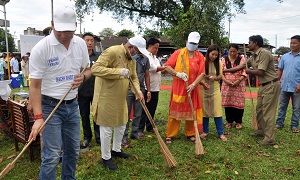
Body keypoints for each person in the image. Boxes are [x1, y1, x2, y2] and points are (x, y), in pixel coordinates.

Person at [28, 6, 91, 179]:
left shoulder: (79, 44)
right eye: (60, 30)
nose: (64, 35)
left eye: (69, 31)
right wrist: (38, 118)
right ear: (52, 24)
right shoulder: (42, 48)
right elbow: (34, 86)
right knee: (52, 155)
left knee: (72, 150)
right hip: (50, 106)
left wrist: (83, 78)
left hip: (72, 105)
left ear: (75, 27)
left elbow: (88, 70)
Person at [91, 36, 145, 170]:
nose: (137, 55)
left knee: (121, 124)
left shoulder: (131, 59)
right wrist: (118, 72)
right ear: (131, 47)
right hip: (106, 96)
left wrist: (137, 91)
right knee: (107, 128)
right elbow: (96, 69)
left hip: (121, 96)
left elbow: (133, 77)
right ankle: (106, 157)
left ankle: (116, 150)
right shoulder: (112, 51)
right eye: (137, 52)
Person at [223, 35, 280, 146]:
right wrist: (225, 71)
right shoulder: (253, 56)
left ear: (255, 43)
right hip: (263, 86)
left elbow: (260, 72)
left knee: (268, 112)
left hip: (271, 85)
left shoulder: (264, 53)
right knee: (259, 110)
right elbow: (240, 67)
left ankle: (269, 139)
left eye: (249, 43)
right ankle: (261, 130)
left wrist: (248, 71)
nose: (248, 45)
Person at [164, 32, 205, 144]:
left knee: (192, 111)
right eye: (190, 42)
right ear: (187, 42)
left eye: (194, 43)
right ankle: (170, 134)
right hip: (179, 88)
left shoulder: (200, 56)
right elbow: (167, 66)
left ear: (197, 44)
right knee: (175, 111)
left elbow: (202, 73)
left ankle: (190, 133)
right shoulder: (178, 53)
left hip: (192, 88)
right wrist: (178, 74)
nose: (192, 45)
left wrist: (193, 85)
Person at [122, 46, 151, 146]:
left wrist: (148, 91)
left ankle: (135, 132)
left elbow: (147, 75)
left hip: (141, 89)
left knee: (138, 113)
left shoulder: (145, 59)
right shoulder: (128, 57)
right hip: (129, 88)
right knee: (127, 112)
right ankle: (123, 136)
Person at [199, 44, 227, 141]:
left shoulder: (218, 63)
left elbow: (220, 76)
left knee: (217, 110)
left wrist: (214, 78)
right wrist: (203, 82)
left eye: (216, 55)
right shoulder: (202, 61)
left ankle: (221, 133)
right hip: (203, 89)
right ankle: (205, 131)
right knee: (204, 111)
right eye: (212, 54)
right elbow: (198, 76)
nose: (214, 56)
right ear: (208, 53)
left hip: (215, 89)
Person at [78, 32, 101, 149]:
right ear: (82, 42)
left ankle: (99, 137)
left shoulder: (98, 57)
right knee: (84, 115)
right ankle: (87, 137)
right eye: (87, 40)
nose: (90, 43)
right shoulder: (78, 57)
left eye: (92, 40)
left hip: (97, 91)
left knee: (97, 114)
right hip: (82, 92)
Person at [139, 38, 165, 135]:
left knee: (152, 108)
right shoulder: (146, 56)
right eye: (155, 48)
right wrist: (166, 67)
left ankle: (149, 127)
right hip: (147, 87)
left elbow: (159, 69)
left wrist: (165, 68)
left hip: (155, 87)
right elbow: (153, 68)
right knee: (144, 109)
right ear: (149, 46)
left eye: (158, 48)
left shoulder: (156, 58)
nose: (157, 50)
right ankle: (140, 129)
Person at [275, 35, 300, 133]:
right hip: (284, 86)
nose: (292, 45)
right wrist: (277, 81)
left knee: (297, 108)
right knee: (282, 106)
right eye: (291, 43)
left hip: (296, 87)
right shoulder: (285, 57)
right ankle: (279, 123)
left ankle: (294, 125)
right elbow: (280, 69)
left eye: (295, 43)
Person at [221, 44, 246, 129]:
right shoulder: (224, 59)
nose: (232, 53)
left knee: (239, 103)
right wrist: (225, 81)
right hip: (227, 85)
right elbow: (221, 72)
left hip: (239, 85)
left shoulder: (242, 59)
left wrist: (238, 81)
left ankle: (238, 122)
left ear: (237, 51)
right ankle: (229, 121)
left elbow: (244, 71)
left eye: (234, 51)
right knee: (228, 103)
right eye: (230, 51)